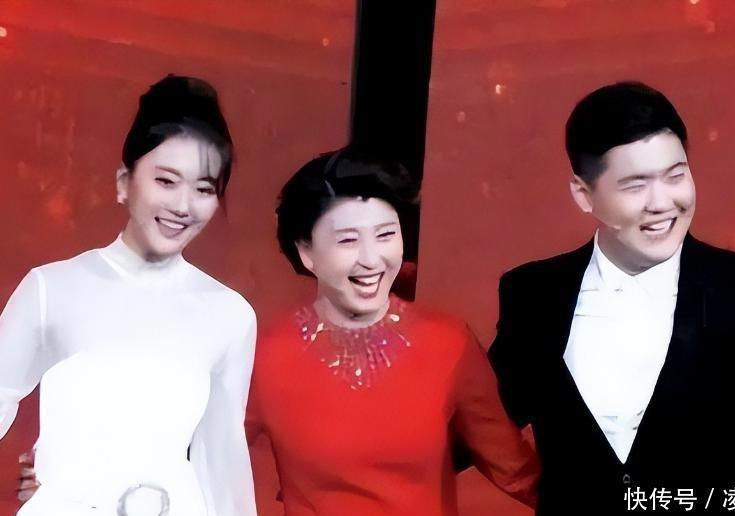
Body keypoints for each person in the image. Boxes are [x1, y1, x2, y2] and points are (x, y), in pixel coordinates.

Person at [488, 81, 735, 515]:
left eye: (676, 175)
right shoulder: (535, 295)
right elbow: (474, 425)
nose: (662, 202)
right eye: (635, 185)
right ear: (583, 194)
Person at [1, 75, 257, 516]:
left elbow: (222, 461)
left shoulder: (229, 314)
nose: (183, 206)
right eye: (166, 181)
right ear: (124, 182)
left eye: (204, 189)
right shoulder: (51, 289)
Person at [247, 146, 539, 515]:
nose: (372, 259)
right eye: (348, 240)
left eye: (386, 235)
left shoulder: (447, 341)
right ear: (307, 252)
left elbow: (516, 470)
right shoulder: (265, 354)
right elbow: (207, 464)